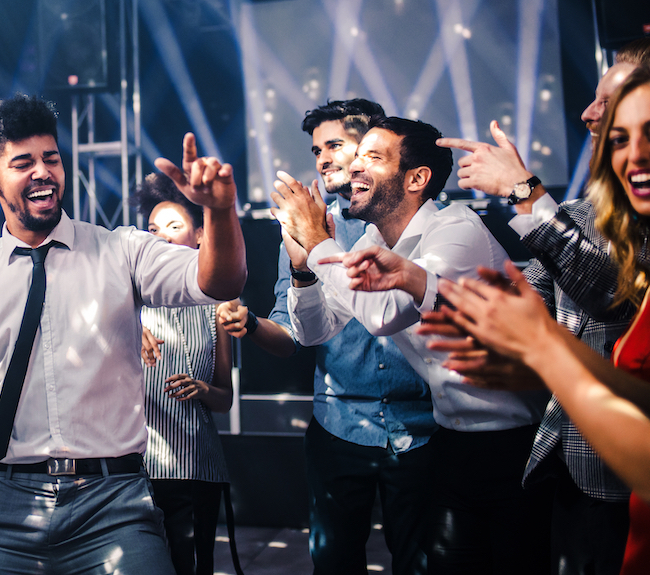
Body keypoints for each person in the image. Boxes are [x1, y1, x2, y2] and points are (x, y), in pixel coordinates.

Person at [0, 94, 247, 575]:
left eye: (51, 158)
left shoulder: (120, 250)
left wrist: (220, 212)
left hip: (116, 503)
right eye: (23, 162)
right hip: (8, 506)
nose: (42, 171)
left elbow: (220, 282)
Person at [272, 116, 550, 574]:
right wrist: (304, 269)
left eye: (372, 158)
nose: (353, 168)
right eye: (355, 157)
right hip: (453, 442)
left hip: (515, 445)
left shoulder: (457, 229)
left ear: (417, 178)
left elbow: (385, 315)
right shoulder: (373, 238)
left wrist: (319, 240)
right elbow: (316, 330)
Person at [430, 39, 650, 574]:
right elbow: (540, 307)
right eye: (617, 132)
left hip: (625, 473)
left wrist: (524, 192)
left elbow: (611, 295)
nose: (589, 113)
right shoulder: (580, 209)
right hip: (569, 460)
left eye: (613, 105)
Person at [259, 99, 436, 575]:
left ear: (372, 148)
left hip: (420, 426)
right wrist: (298, 272)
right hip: (339, 422)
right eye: (316, 150)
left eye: (334, 145)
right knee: (334, 565)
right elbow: (302, 332)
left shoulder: (423, 222)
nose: (322, 159)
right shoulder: (306, 227)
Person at [134, 173, 235, 575]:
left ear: (198, 236)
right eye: (153, 229)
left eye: (174, 227)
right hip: (136, 468)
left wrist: (202, 387)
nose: (161, 236)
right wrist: (124, 329)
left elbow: (225, 399)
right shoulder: (129, 300)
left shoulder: (219, 302)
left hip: (195, 465)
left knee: (192, 567)